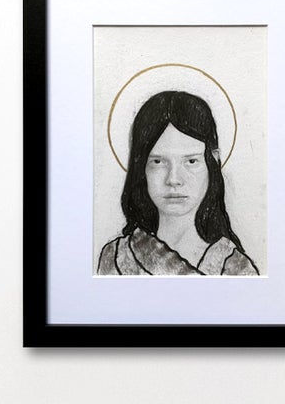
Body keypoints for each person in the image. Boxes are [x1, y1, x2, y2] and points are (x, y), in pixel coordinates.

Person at [97, 90, 259, 277]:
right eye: (158, 162)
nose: (173, 179)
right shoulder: (116, 257)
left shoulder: (236, 269)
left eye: (191, 161)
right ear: (141, 167)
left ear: (212, 161)